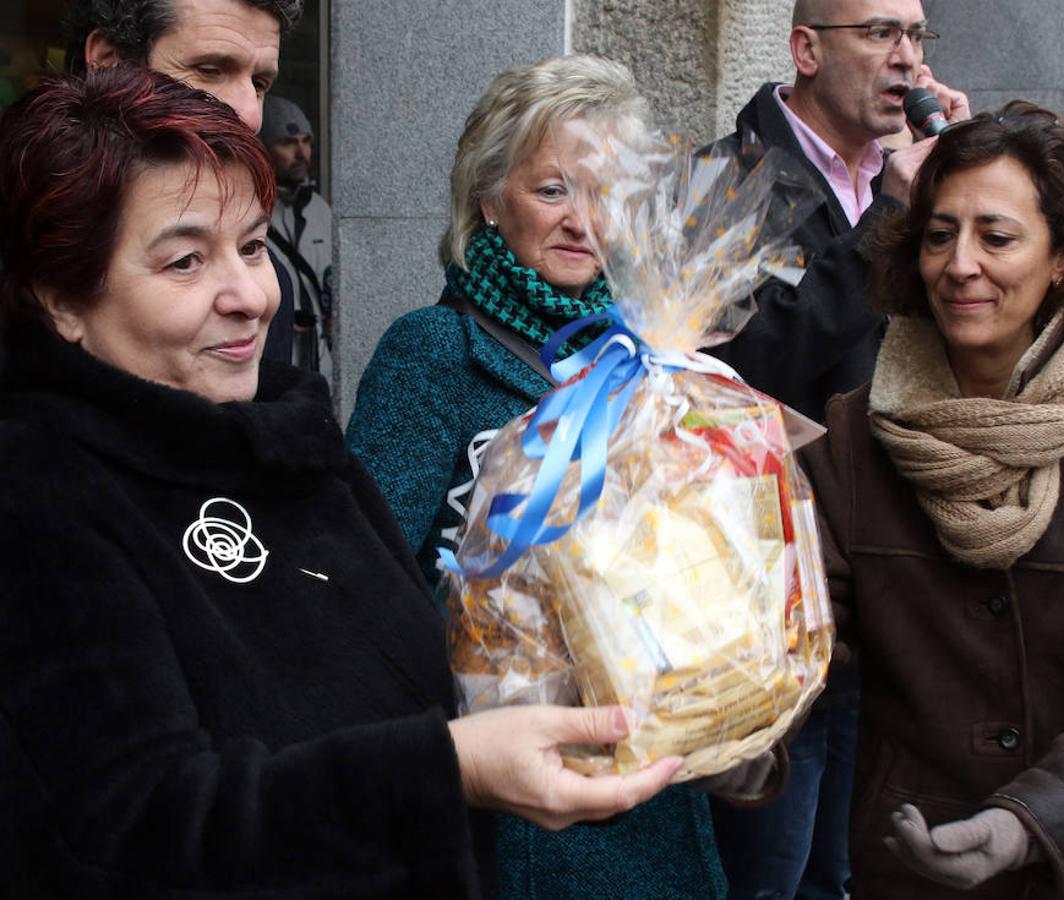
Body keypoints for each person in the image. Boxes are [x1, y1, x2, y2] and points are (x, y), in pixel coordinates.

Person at [0, 67, 687, 899]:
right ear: (61, 299)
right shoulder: (43, 501)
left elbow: (425, 678)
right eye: (185, 261)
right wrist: (446, 772)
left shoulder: (286, 444)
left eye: (253, 246)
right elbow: (136, 825)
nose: (251, 296)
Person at [347, 54, 768, 900]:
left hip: (658, 799)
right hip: (513, 812)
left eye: (607, 194)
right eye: (553, 190)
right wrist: (513, 623)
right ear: (488, 200)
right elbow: (363, 582)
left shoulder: (649, 363)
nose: (584, 221)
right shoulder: (433, 354)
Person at [700, 3, 970, 897]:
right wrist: (888, 222)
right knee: (770, 876)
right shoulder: (730, 178)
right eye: (880, 33)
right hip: (778, 604)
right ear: (807, 48)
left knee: (854, 874)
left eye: (918, 38)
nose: (907, 60)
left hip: (896, 589)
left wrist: (966, 192)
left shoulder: (916, 178)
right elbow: (732, 364)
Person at [801, 100, 1064, 899]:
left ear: (1063, 256)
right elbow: (796, 645)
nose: (960, 264)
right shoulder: (854, 438)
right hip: (908, 863)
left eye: (996, 237)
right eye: (939, 234)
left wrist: (1029, 822)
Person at [63, 0, 301, 364]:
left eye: (259, 83)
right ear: (108, 63)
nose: (250, 116)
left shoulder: (264, 287)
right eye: (209, 70)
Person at [260, 95, 334, 381]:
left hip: (319, 366)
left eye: (306, 141)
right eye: (288, 143)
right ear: (263, 147)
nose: (301, 153)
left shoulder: (319, 210)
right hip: (272, 365)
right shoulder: (251, 209)